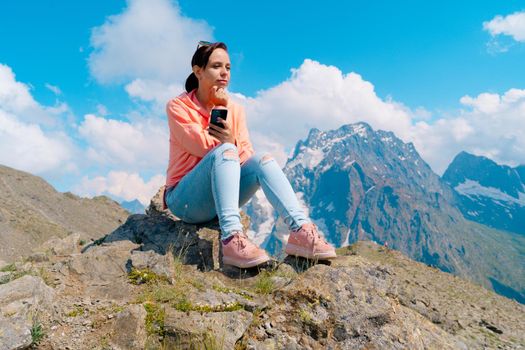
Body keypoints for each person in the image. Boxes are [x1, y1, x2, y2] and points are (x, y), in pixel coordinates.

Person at [164, 41, 336, 268]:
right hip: (185, 200)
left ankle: (301, 230)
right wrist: (220, 109)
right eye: (216, 66)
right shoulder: (178, 107)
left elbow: (245, 155)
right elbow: (203, 147)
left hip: (216, 198)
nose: (224, 72)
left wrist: (229, 132)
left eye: (228, 67)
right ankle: (231, 239)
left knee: (262, 159)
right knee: (225, 150)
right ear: (198, 71)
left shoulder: (237, 109)